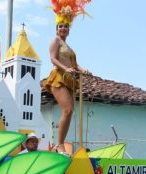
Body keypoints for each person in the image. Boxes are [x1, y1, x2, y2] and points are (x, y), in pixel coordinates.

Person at [44, 0, 92, 155]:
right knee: (68, 109)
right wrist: (66, 68)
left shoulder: (70, 48)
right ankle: (59, 145)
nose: (63, 28)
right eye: (60, 26)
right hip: (58, 77)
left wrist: (84, 70)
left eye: (65, 26)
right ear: (57, 29)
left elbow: (75, 65)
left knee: (70, 112)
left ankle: (61, 144)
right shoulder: (55, 41)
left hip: (70, 79)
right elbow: (53, 58)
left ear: (69, 29)